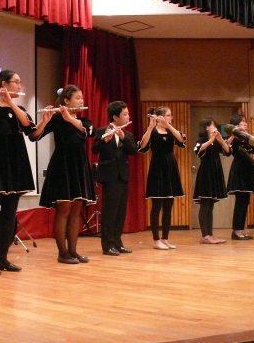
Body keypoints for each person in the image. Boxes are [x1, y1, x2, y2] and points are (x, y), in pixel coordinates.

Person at [0, 70, 52, 274]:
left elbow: (31, 131)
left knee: (9, 214)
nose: (20, 86)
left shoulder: (19, 108)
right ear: (4, 84)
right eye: (16, 82)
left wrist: (45, 121)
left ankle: (3, 257)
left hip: (16, 160)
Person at [36, 85, 96, 264]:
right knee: (63, 210)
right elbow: (34, 136)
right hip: (62, 165)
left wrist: (69, 117)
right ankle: (62, 253)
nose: (81, 101)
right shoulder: (56, 119)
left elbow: (89, 132)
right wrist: (45, 120)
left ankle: (73, 251)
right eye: (77, 98)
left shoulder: (84, 121)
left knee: (76, 210)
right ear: (66, 101)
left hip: (79, 166)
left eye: (82, 98)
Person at [92, 101, 137, 256]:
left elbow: (133, 151)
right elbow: (94, 149)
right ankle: (107, 245)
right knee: (109, 212)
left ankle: (117, 243)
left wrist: (123, 137)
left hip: (123, 175)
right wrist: (105, 140)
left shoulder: (128, 134)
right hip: (109, 176)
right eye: (125, 114)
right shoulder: (102, 131)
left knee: (120, 211)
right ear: (115, 117)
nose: (128, 116)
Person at [138, 106, 186, 250]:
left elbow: (181, 139)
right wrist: (150, 126)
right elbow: (143, 145)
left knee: (168, 207)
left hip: (170, 167)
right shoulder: (152, 131)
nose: (171, 118)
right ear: (161, 117)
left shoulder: (171, 131)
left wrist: (169, 126)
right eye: (169, 115)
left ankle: (165, 238)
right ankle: (156, 240)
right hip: (157, 168)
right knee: (156, 206)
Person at [193, 118, 231, 244]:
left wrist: (220, 140)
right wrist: (210, 140)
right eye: (212, 125)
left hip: (215, 172)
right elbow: (198, 151)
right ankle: (205, 235)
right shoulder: (202, 140)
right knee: (204, 204)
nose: (215, 127)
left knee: (210, 205)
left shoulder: (217, 141)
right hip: (206, 173)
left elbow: (227, 151)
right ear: (206, 128)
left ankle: (210, 234)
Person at [226, 114, 254, 240]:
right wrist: (234, 134)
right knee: (240, 202)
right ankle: (236, 230)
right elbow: (226, 149)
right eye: (243, 122)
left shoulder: (246, 138)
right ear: (236, 125)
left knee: (245, 201)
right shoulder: (234, 138)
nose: (245, 124)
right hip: (239, 168)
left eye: (246, 122)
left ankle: (241, 229)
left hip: (248, 168)